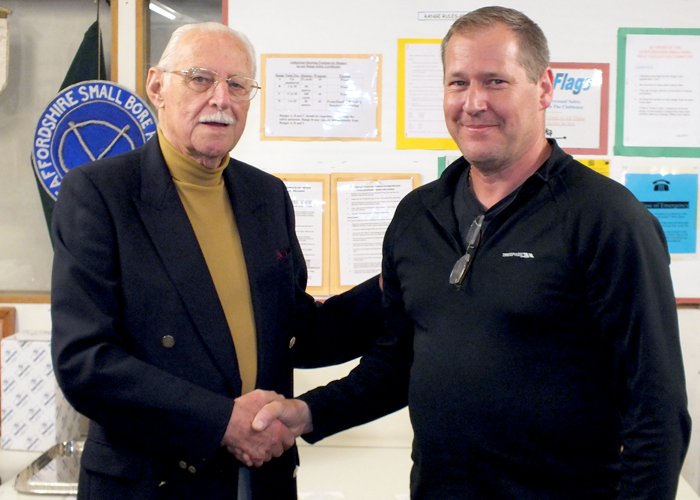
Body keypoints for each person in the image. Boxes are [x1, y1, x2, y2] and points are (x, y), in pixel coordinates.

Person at [252, 6, 691, 499]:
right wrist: (309, 412)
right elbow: (398, 364)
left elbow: (657, 413)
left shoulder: (608, 220)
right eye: (458, 83)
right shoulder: (418, 216)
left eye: (495, 81)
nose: (474, 102)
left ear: (544, 88)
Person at [50, 22, 384, 500]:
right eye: (200, 78)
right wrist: (222, 421)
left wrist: (394, 284)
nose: (221, 99)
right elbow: (85, 362)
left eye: (238, 85)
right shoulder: (100, 194)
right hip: (154, 481)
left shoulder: (266, 195)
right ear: (156, 85)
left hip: (261, 478)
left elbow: (297, 331)